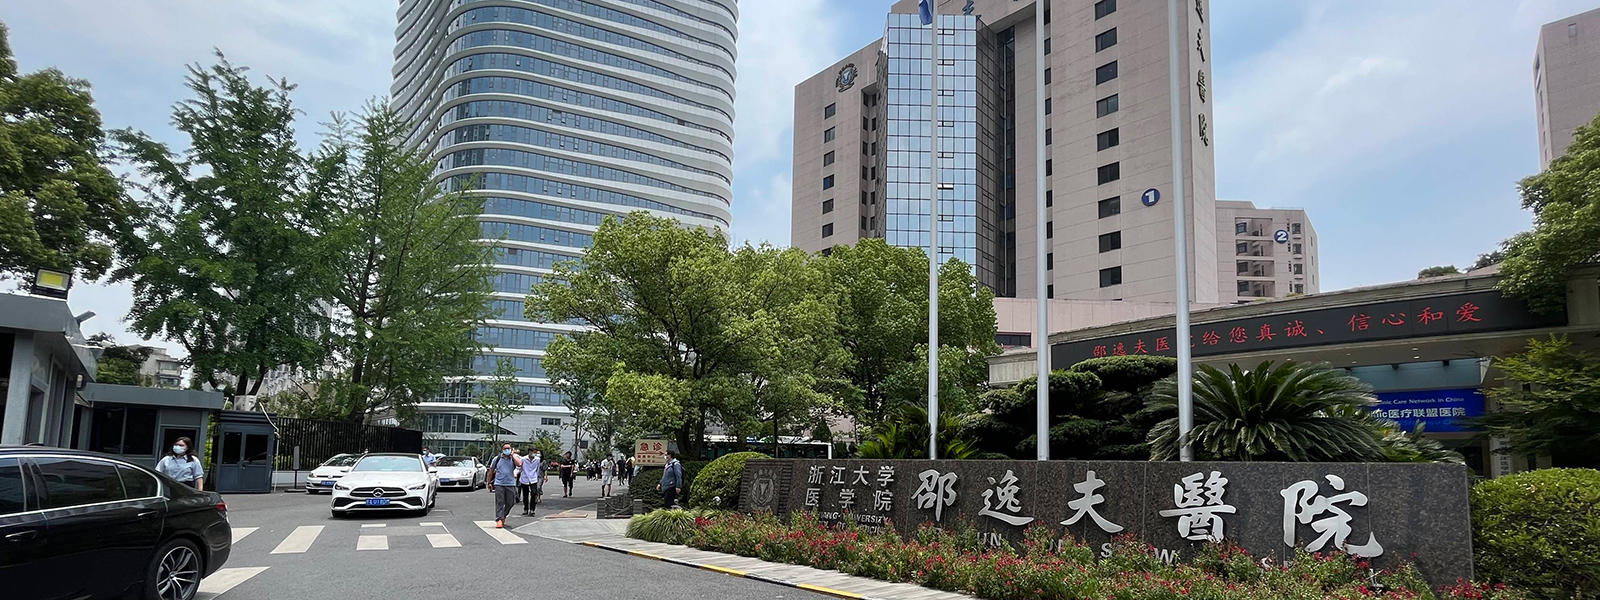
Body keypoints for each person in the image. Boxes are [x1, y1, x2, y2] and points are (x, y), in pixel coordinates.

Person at [485, 443, 523, 528]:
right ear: (502, 450)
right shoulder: (497, 459)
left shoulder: (513, 458)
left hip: (510, 483)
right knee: (500, 502)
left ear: (511, 449)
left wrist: (512, 455)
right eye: (505, 449)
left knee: (511, 502)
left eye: (508, 448)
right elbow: (491, 470)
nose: (507, 450)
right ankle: (499, 519)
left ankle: (503, 515)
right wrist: (489, 482)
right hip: (499, 483)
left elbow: (520, 464)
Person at [517, 447, 542, 516]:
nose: (533, 454)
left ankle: (532, 510)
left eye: (535, 452)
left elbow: (537, 468)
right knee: (525, 494)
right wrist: (516, 474)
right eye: (532, 452)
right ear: (529, 452)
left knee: (534, 493)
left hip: (533, 478)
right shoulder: (523, 459)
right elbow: (520, 468)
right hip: (525, 478)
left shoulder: (537, 459)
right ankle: (526, 509)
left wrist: (536, 476)